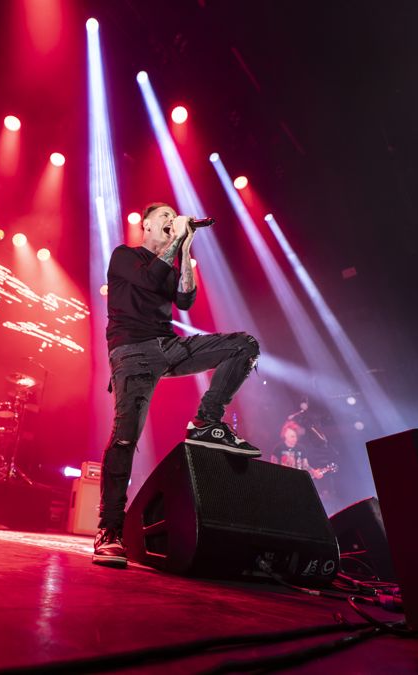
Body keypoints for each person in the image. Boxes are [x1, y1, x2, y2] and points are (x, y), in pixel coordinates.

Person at [93, 202, 262, 567]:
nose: (171, 221)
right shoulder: (125, 255)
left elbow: (185, 298)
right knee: (125, 438)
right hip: (132, 351)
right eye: (165, 218)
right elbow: (149, 278)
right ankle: (109, 529)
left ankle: (206, 421)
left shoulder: (170, 258)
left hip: (168, 347)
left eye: (174, 216)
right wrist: (175, 241)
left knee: (244, 345)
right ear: (148, 225)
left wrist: (185, 248)